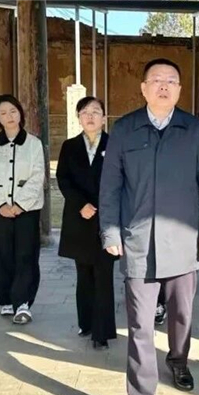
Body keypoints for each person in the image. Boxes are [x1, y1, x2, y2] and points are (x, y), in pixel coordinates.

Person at [99, 58, 199, 395]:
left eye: (171, 80)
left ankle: (178, 360)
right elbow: (110, 186)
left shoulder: (194, 129)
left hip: (183, 241)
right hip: (137, 243)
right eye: (156, 80)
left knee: (181, 315)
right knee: (139, 327)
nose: (164, 86)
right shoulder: (125, 129)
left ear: (180, 90)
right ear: (143, 88)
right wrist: (110, 231)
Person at [0, 94, 45, 325]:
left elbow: (38, 176)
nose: (9, 116)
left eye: (13, 111)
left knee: (26, 254)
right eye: (3, 113)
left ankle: (23, 302)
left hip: (27, 210)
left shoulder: (34, 144)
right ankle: (6, 299)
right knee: (2, 253)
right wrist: (0, 205)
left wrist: (20, 205)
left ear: (20, 113)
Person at [56, 96, 117, 349]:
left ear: (104, 117)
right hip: (79, 218)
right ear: (78, 118)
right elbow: (63, 179)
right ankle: (86, 322)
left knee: (103, 274)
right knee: (83, 273)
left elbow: (121, 180)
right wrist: (80, 204)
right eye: (85, 112)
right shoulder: (69, 146)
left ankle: (101, 332)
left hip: (107, 219)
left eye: (96, 111)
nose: (90, 116)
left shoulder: (115, 145)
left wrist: (103, 206)